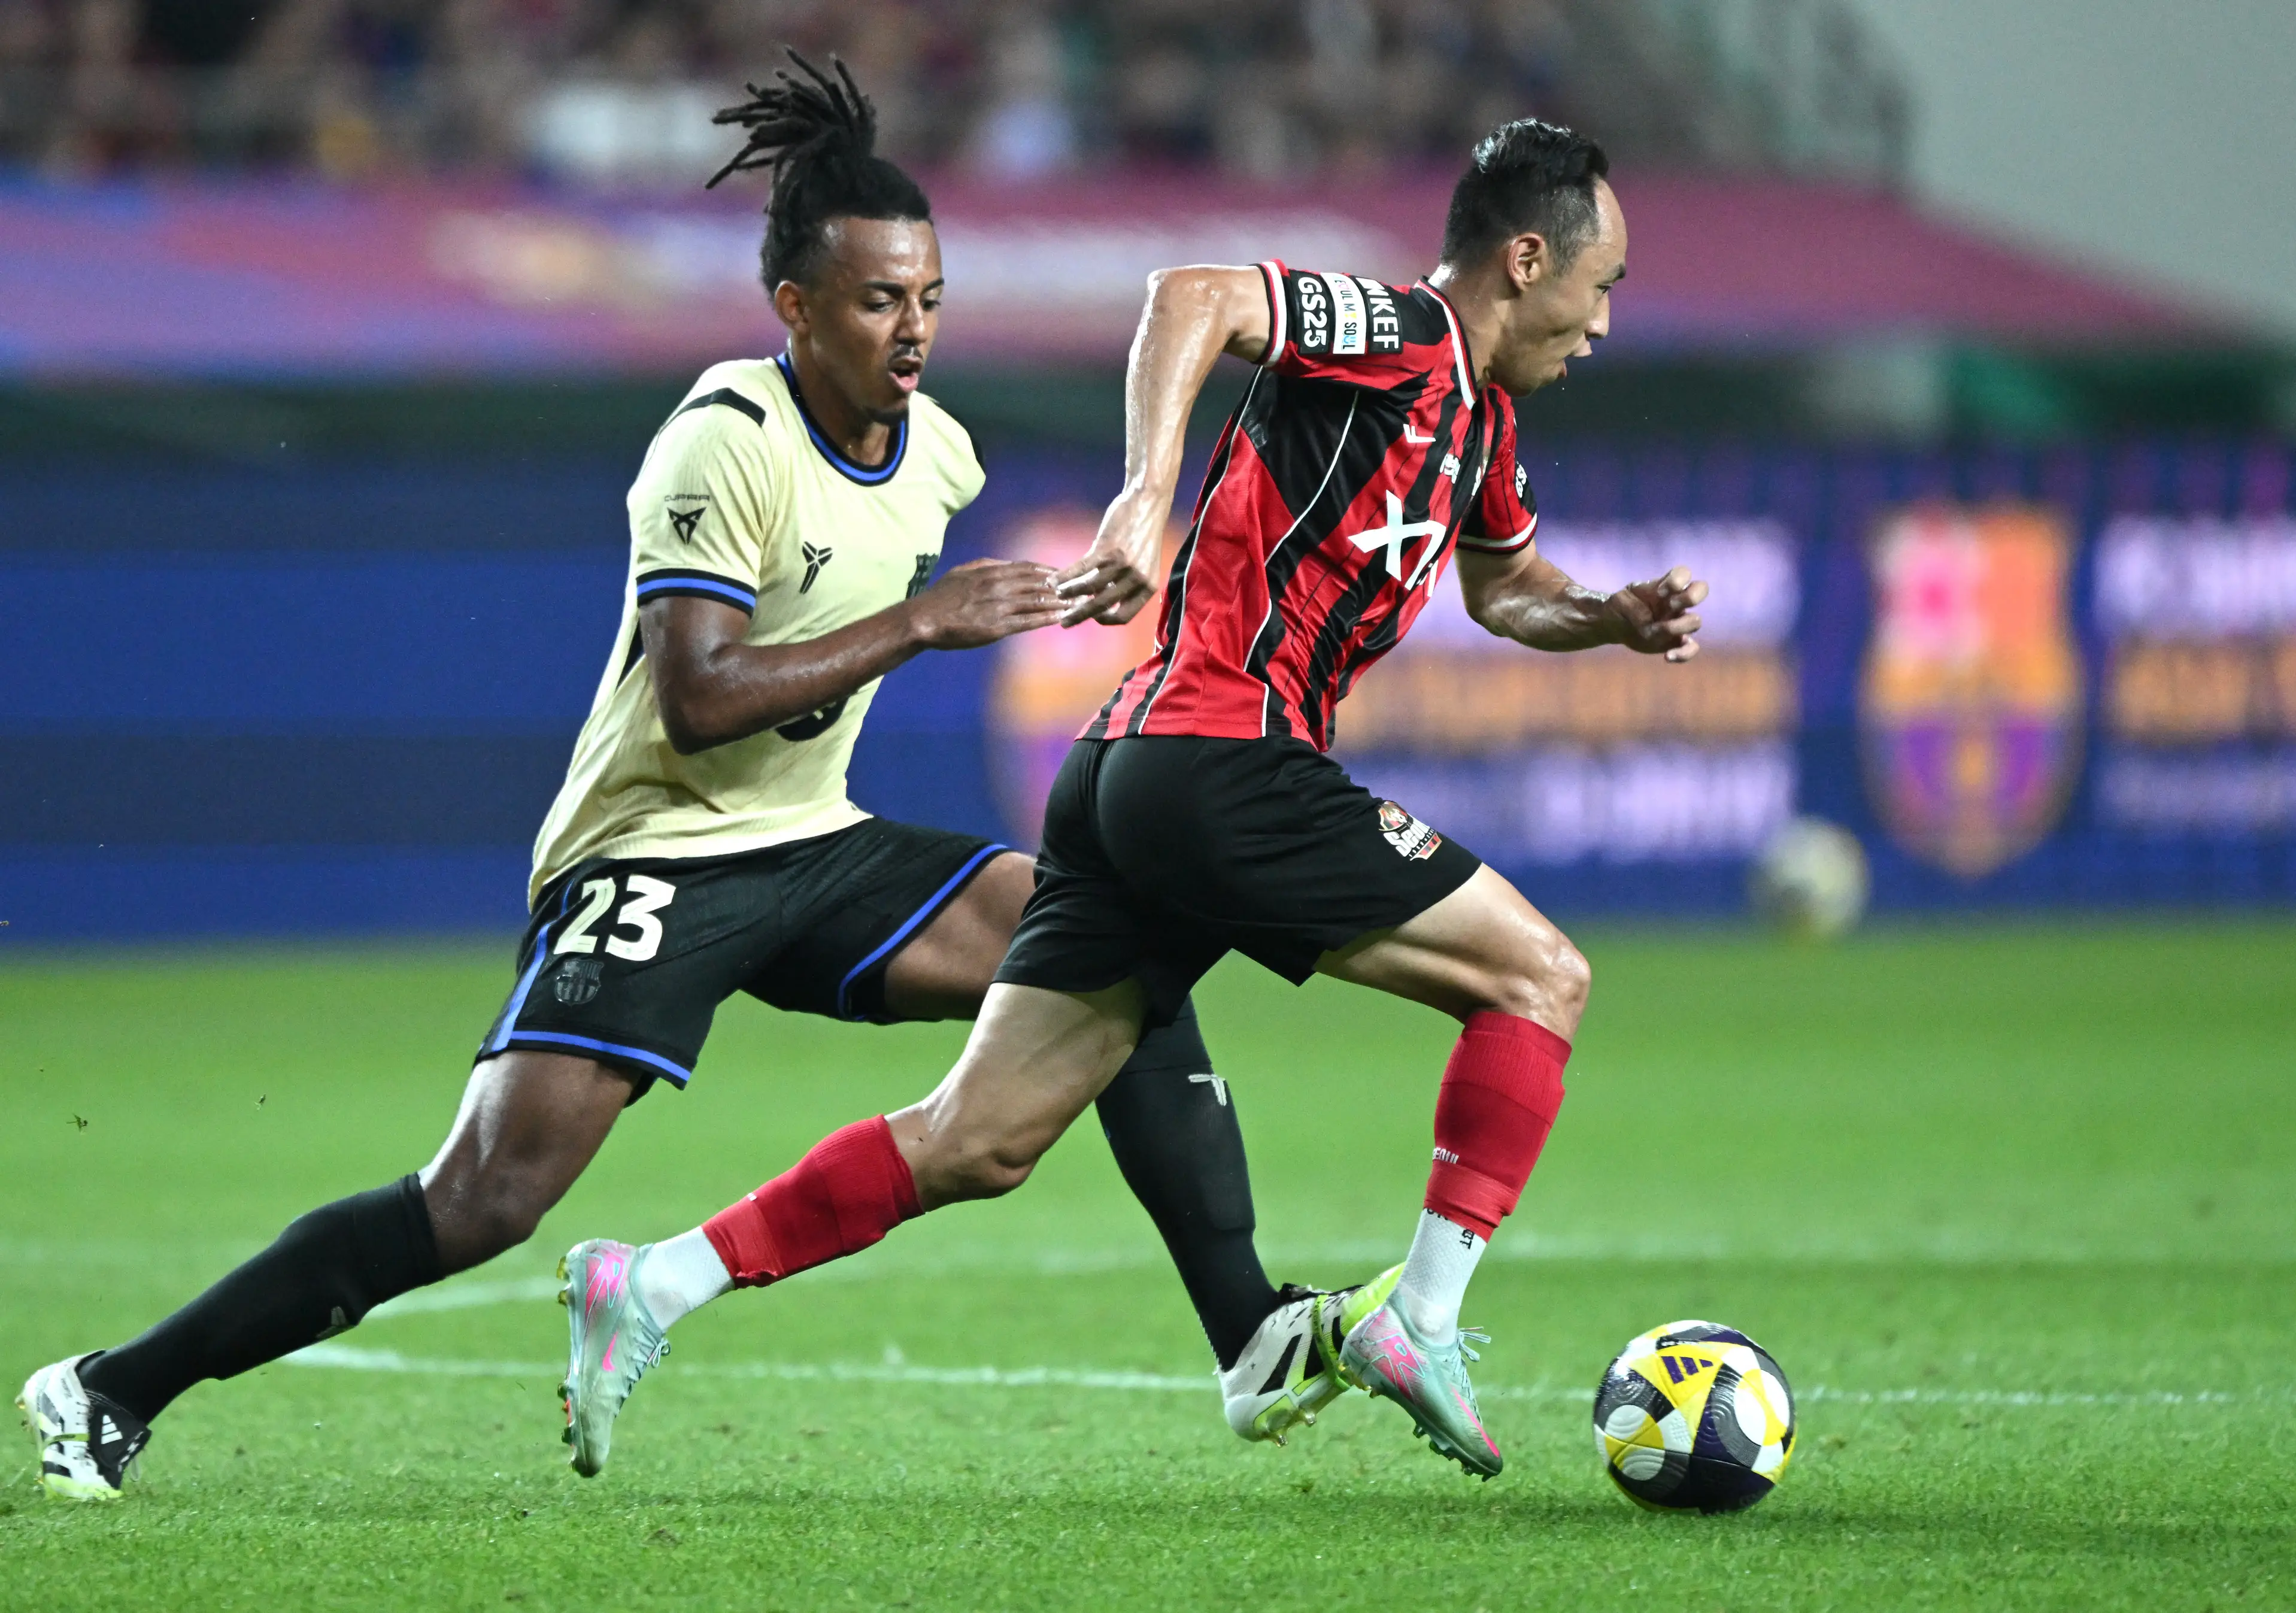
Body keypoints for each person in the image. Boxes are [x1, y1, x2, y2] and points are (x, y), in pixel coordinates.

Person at [18, 54, 1352, 1503]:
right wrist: (924, 619)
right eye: (875, 301)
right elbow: (701, 698)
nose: (910, 332)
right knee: (485, 1199)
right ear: (795, 307)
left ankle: (1249, 1332)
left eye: (928, 300)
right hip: (651, 855)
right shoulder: (725, 441)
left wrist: (1064, 593)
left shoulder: (942, 456)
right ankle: (107, 1390)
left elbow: (892, 618)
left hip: (812, 845)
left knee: (1117, 945)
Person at [575, 116, 1707, 1481]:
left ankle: (650, 1283)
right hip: (1223, 756)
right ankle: (1420, 1314)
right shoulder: (1402, 331)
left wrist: (1609, 616)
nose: (1603, 321)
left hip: (1127, 775)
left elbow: (1506, 589)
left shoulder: (1487, 428)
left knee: (979, 1140)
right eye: (1603, 286)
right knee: (1541, 979)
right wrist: (1142, 498)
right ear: (1528, 259)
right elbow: (1195, 296)